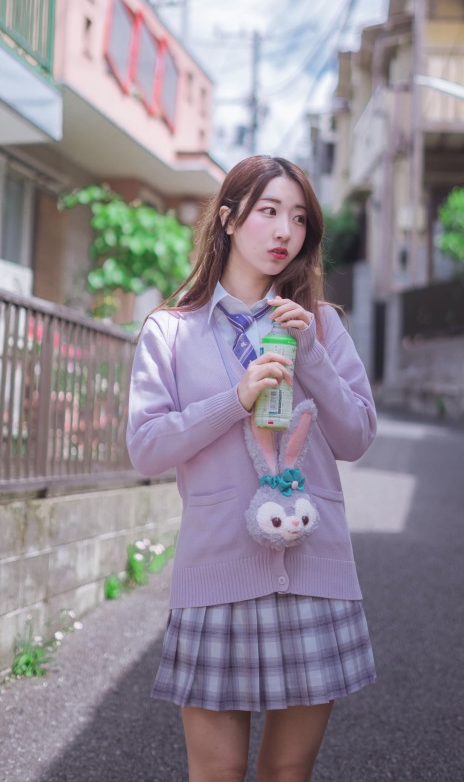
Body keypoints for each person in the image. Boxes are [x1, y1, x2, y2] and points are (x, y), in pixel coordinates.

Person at [126, 155, 377, 782]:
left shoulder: (320, 324)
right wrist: (234, 400)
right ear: (229, 219)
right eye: (268, 211)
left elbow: (356, 437)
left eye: (299, 217)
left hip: (315, 573)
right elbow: (147, 447)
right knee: (217, 772)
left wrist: (312, 354)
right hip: (216, 577)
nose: (285, 230)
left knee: (288, 772)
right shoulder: (170, 331)